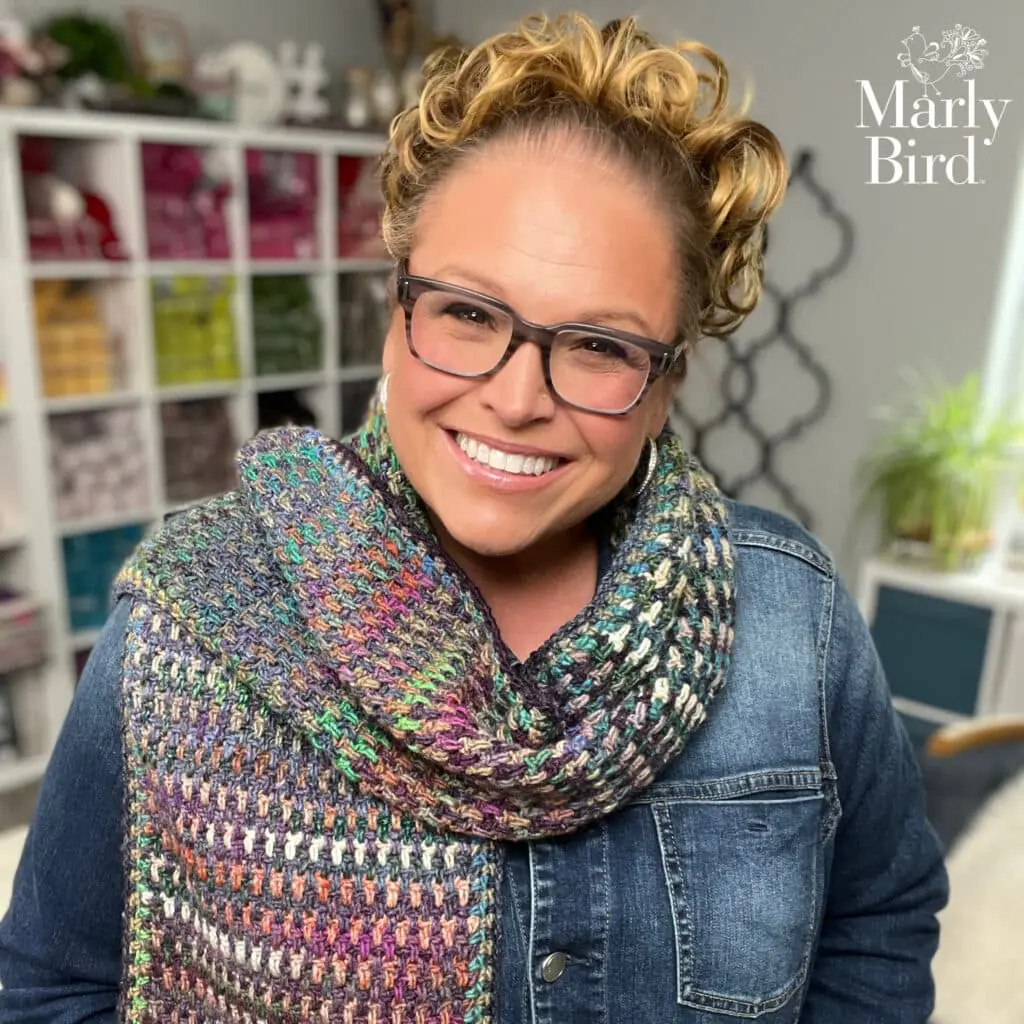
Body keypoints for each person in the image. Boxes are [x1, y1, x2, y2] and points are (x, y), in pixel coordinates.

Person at [0, 12, 948, 1023]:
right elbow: (56, 984)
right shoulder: (187, 621)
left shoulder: (787, 621)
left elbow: (878, 917)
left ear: (668, 380)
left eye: (597, 346)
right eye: (466, 312)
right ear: (394, 306)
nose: (514, 396)